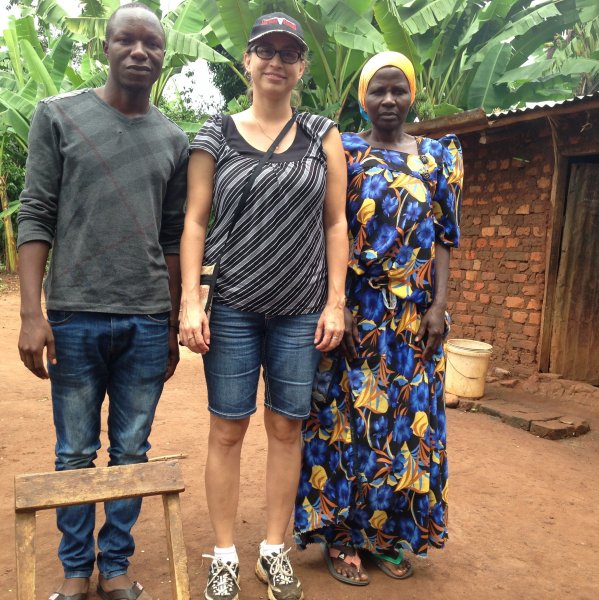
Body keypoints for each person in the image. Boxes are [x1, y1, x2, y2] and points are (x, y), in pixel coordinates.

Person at [16, 4, 188, 599]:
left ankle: (114, 569)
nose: (140, 52)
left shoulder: (173, 138)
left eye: (152, 44)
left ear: (165, 55)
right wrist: (31, 313)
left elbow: (172, 238)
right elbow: (35, 211)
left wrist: (169, 325)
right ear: (107, 47)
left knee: (133, 450)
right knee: (74, 452)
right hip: (73, 315)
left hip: (144, 320)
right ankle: (73, 572)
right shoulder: (58, 116)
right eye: (127, 41)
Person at [179, 11, 347, 600]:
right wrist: (191, 302)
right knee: (227, 428)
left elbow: (334, 222)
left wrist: (336, 302)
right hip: (233, 307)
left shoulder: (322, 134)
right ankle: (224, 553)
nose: (276, 61)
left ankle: (273, 549)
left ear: (300, 66)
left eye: (288, 52)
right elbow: (195, 222)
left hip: (301, 308)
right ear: (247, 61)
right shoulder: (214, 135)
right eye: (265, 50)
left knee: (285, 426)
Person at [293, 51, 463, 586]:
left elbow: (443, 239)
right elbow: (327, 226)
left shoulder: (439, 158)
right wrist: (333, 302)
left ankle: (389, 537)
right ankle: (342, 539)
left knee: (405, 429)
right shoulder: (342, 151)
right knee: (345, 422)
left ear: (412, 94)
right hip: (355, 310)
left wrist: (439, 305)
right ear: (361, 99)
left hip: (413, 318)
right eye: (377, 91)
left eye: (398, 90)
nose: (388, 100)